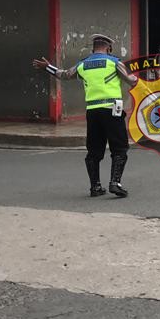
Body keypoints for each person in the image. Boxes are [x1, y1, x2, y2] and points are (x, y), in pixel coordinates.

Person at [33, 34, 137, 198]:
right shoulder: (114, 62)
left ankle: (95, 187)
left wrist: (48, 67)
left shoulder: (83, 65)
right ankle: (115, 183)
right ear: (109, 48)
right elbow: (131, 81)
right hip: (112, 109)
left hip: (93, 111)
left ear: (93, 48)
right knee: (120, 147)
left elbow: (65, 74)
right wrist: (136, 78)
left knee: (94, 150)